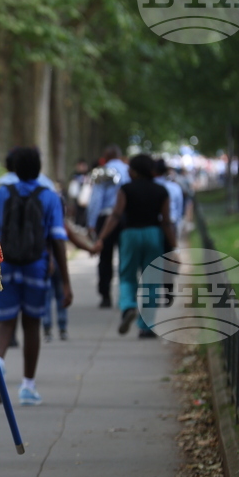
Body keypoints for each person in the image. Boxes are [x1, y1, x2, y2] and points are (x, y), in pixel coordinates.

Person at [0, 147, 73, 405]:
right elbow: (58, 239)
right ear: (38, 167)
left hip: (6, 267)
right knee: (32, 324)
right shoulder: (50, 196)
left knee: (4, 322)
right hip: (36, 267)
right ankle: (28, 386)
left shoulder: (3, 193)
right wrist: (66, 282)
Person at [94, 154, 176, 338]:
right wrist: (174, 246)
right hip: (154, 235)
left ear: (135, 171)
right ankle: (146, 326)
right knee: (152, 281)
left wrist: (101, 237)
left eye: (130, 169)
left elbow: (115, 215)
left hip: (130, 234)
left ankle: (128, 306)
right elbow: (167, 221)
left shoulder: (125, 189)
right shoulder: (161, 190)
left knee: (127, 276)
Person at [87, 145, 130, 308]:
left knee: (105, 258)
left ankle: (105, 296)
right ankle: (125, 296)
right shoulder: (128, 170)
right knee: (126, 258)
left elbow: (96, 199)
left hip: (105, 217)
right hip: (125, 218)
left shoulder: (102, 171)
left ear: (106, 156)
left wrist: (91, 224)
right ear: (119, 156)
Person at [154, 159, 184, 244]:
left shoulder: (150, 187)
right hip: (171, 223)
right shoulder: (174, 187)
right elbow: (179, 208)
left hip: (155, 225)